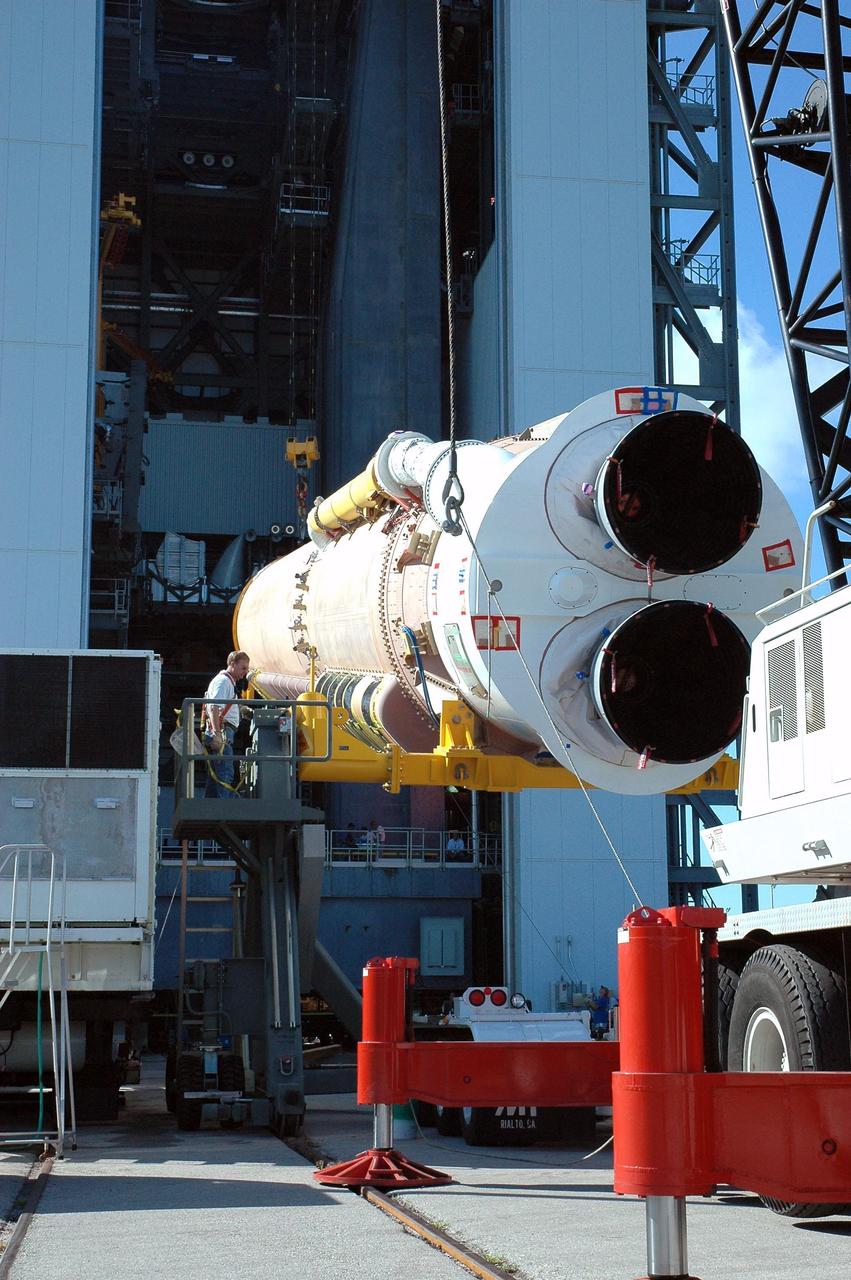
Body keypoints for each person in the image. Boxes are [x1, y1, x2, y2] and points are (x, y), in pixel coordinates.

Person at [202, 650, 250, 798]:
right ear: (232, 664)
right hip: (222, 731)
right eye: (243, 668)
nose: (246, 672)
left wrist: (242, 709)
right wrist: (217, 733)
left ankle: (210, 807)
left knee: (216, 774)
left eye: (247, 668)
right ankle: (224, 810)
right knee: (225, 772)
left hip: (222, 731)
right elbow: (214, 707)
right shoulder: (223, 681)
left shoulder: (228, 682)